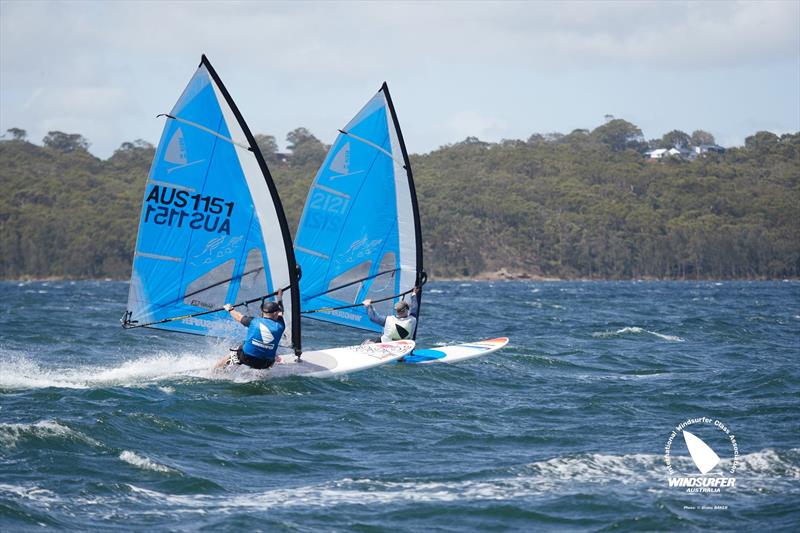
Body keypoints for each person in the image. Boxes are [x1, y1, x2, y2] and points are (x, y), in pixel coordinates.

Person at [214, 290, 285, 370]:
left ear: (262, 312)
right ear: (276, 313)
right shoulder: (280, 325)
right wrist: (279, 297)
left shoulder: (253, 321)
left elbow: (238, 316)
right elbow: (281, 312)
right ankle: (261, 376)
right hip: (265, 363)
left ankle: (213, 371)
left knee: (234, 353)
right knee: (271, 357)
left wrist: (230, 309)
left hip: (246, 358)